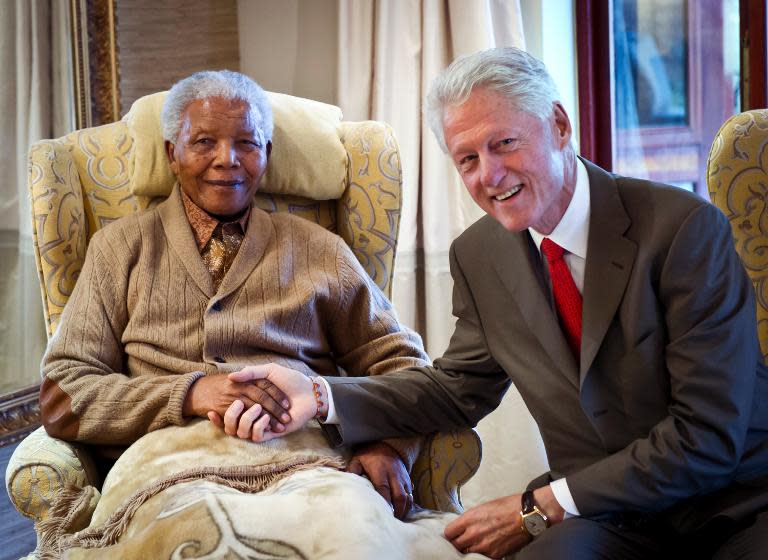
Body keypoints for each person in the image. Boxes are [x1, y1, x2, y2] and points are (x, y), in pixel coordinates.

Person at [226, 48, 768, 559]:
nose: (488, 175)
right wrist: (322, 395)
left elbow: (708, 437)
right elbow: (457, 389)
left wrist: (544, 505)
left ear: (559, 125)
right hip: (610, 519)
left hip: (733, 503)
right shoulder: (480, 254)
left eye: (504, 143)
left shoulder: (683, 230)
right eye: (467, 159)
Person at [37, 70, 479, 558]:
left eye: (246, 143)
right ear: (171, 153)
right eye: (204, 141)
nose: (226, 159)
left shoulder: (319, 250)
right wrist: (190, 393)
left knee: (351, 540)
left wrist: (388, 446)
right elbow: (64, 394)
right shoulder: (119, 249)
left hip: (309, 464)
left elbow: (404, 368)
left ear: (266, 154)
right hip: (167, 469)